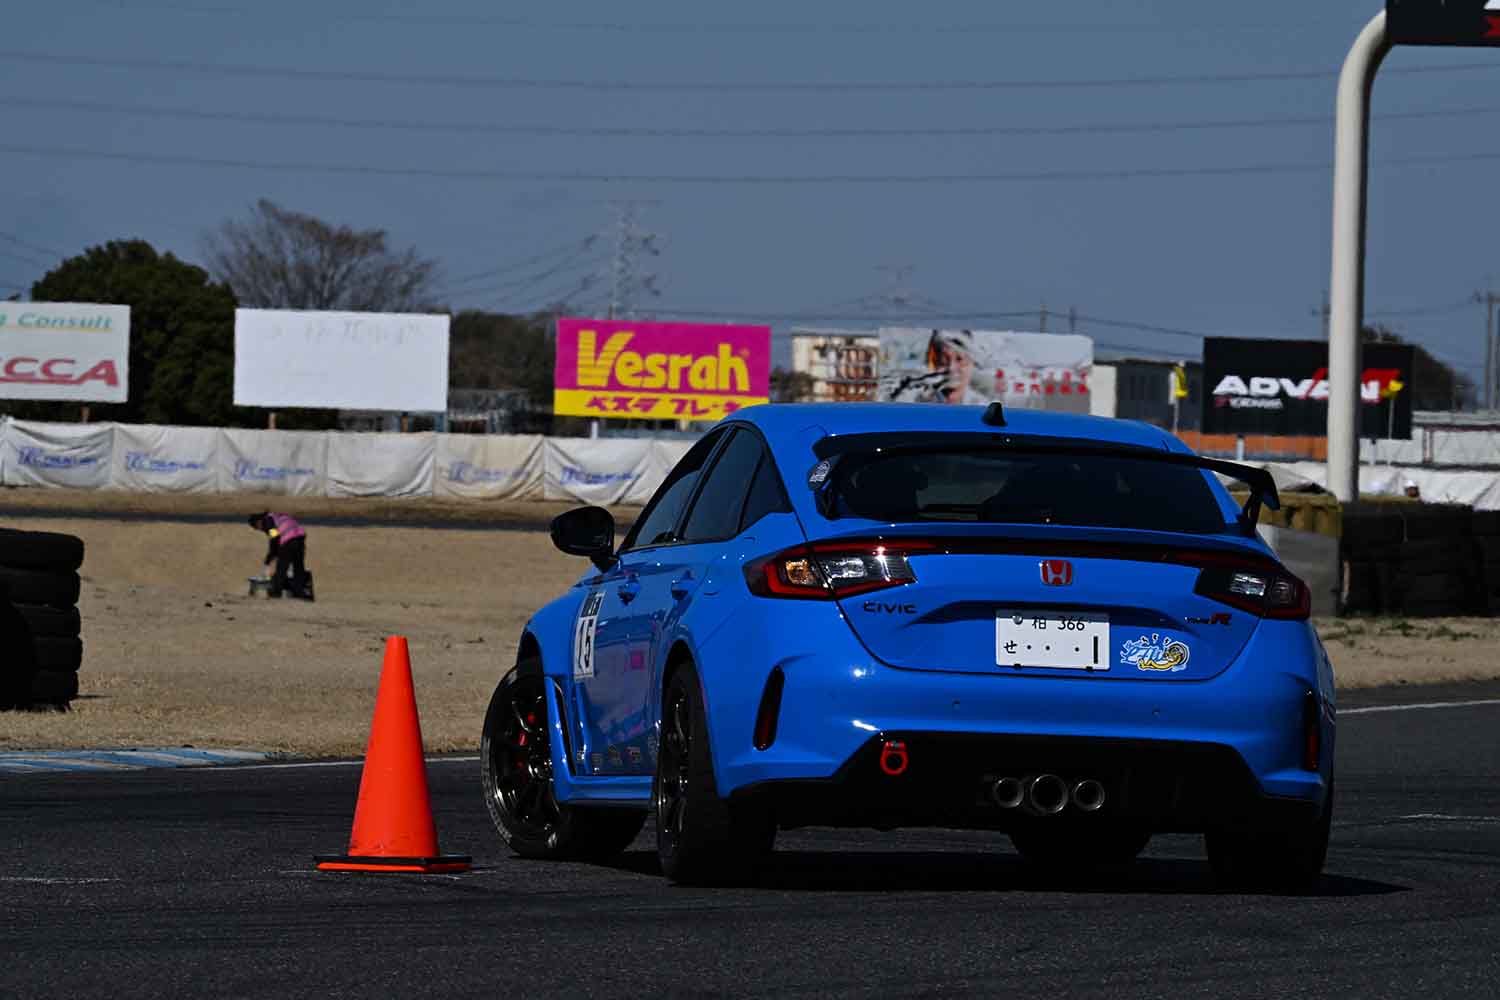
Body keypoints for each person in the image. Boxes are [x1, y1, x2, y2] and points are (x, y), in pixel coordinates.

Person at [248, 511, 311, 599]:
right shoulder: (277, 516)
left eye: (256, 527)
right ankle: (299, 593)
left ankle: (275, 593)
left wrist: (269, 557)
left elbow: (274, 538)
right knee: (298, 567)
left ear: (258, 522)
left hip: (288, 540)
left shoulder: (268, 522)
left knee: (281, 568)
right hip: (300, 538)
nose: (259, 529)